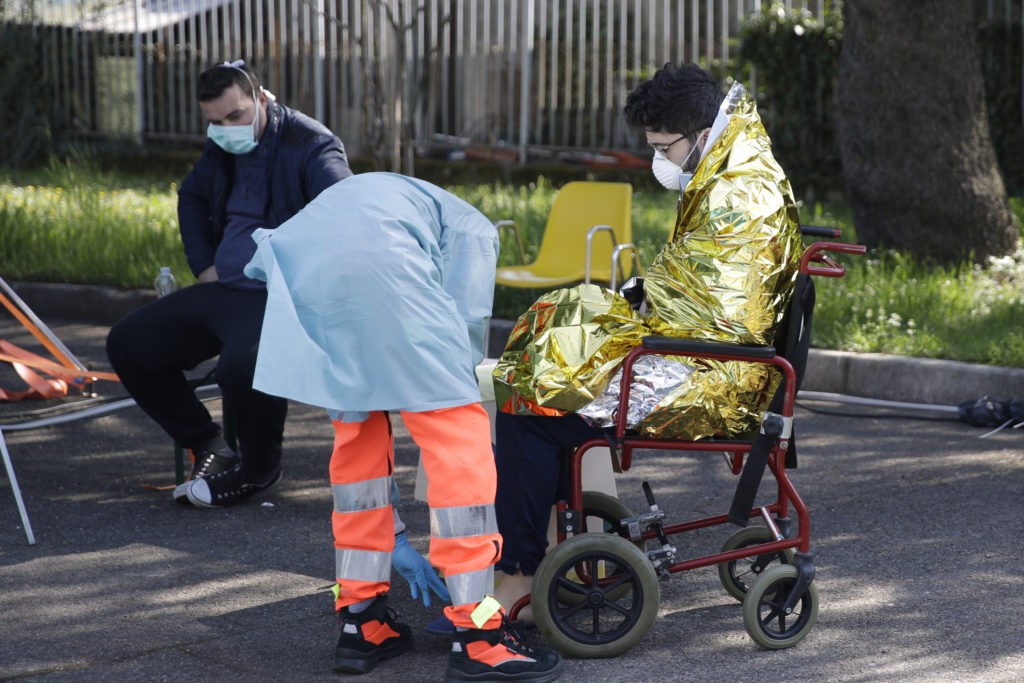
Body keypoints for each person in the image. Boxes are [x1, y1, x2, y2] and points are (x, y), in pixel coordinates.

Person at [490, 63, 806, 614]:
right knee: (540, 354)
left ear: (702, 134)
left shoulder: (737, 193)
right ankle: (540, 552)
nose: (659, 159)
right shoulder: (731, 170)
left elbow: (719, 319)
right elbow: (699, 289)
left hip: (714, 375)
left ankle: (517, 574)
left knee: (529, 401)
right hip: (703, 354)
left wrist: (629, 316)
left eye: (663, 146)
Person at [242, 172, 563, 681]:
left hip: (312, 275)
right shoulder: (476, 228)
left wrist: (394, 541)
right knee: (458, 441)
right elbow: (466, 318)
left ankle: (360, 622)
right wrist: (459, 383)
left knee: (358, 449)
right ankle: (479, 636)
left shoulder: (397, 197)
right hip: (378, 270)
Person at [105, 60, 353, 508]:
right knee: (129, 342)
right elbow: (192, 195)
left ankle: (258, 469)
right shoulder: (223, 143)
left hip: (281, 291)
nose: (226, 128)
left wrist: (299, 275)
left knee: (243, 365)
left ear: (260, 98)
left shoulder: (310, 143)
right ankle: (208, 445)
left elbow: (345, 211)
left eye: (235, 116)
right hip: (226, 288)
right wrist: (203, 264)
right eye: (215, 121)